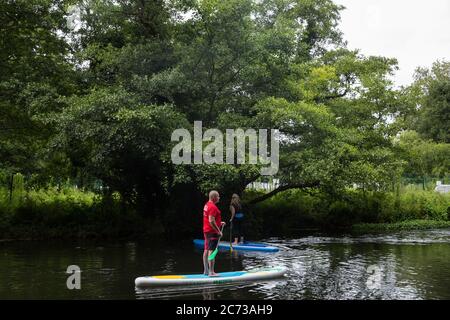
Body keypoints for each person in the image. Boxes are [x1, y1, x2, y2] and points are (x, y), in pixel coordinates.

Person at [203, 190, 226, 277]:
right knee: (212, 251)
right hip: (212, 232)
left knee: (206, 250)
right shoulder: (213, 207)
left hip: (206, 230)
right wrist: (218, 231)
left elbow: (211, 219)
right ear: (214, 197)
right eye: (218, 196)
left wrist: (220, 223)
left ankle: (206, 271)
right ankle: (211, 272)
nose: (219, 198)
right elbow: (211, 220)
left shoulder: (207, 205)